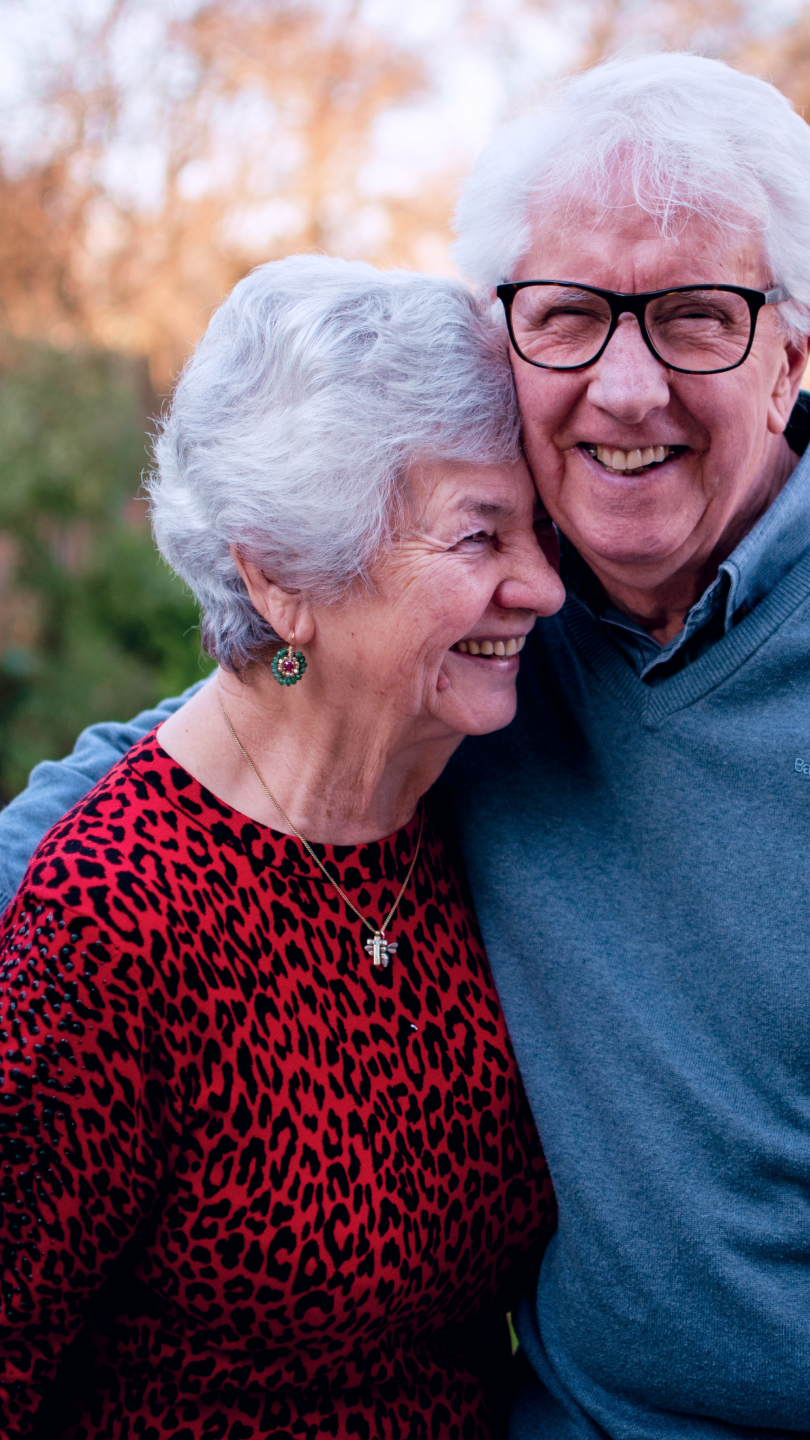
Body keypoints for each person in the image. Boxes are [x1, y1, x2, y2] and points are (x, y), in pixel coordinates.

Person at [3, 50, 810, 1440]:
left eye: (698, 317)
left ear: (796, 344)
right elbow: (235, 728)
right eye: (570, 315)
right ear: (516, 333)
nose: (626, 392)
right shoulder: (491, 636)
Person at [0, 255, 564, 1440]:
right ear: (283, 576)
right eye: (480, 537)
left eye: (540, 530)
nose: (543, 587)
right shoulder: (106, 927)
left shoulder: (461, 810)